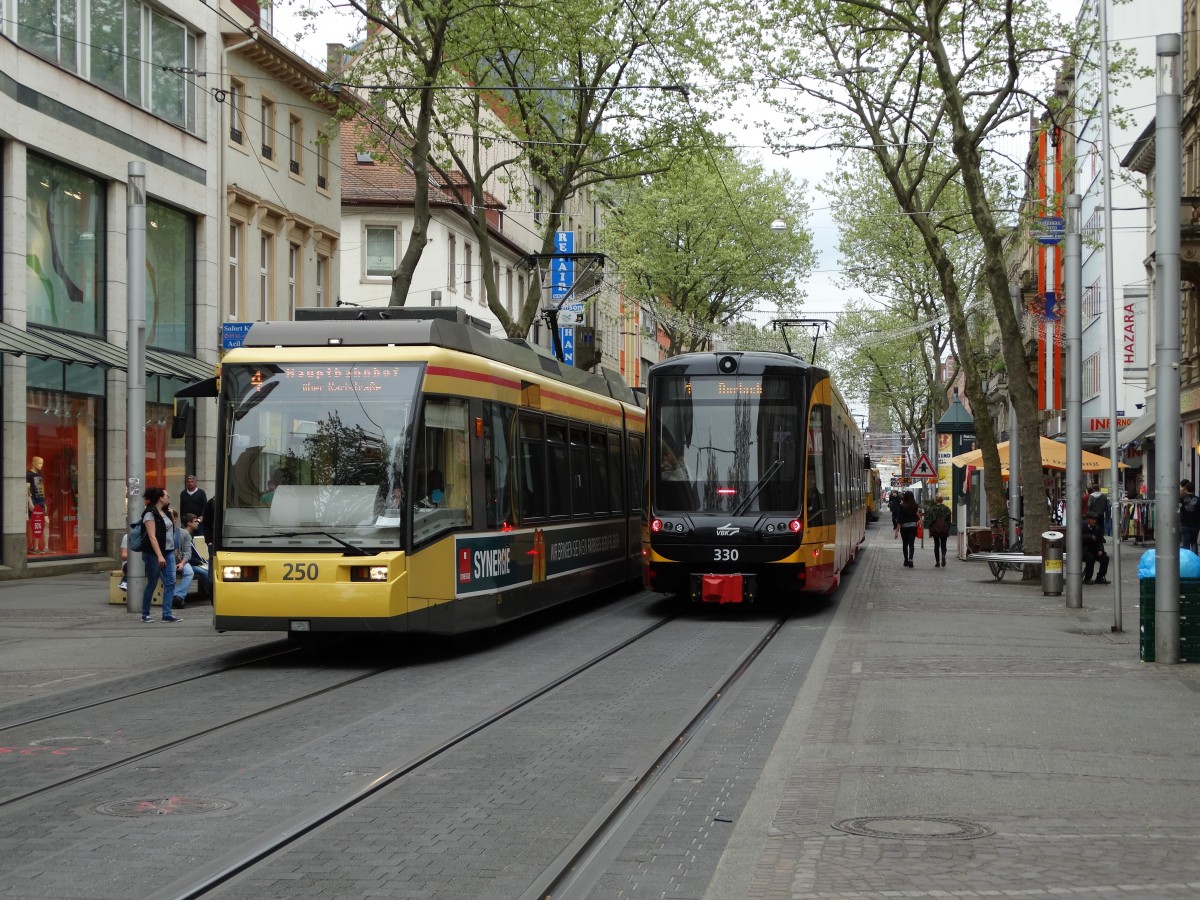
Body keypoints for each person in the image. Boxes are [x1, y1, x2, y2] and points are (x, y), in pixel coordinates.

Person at [141, 487, 180, 622]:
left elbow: (171, 530)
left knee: (170, 582)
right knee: (152, 582)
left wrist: (172, 517)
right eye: (166, 496)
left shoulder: (166, 512)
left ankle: (167, 613)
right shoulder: (149, 514)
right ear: (160, 498)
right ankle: (145, 613)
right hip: (154, 553)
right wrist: (159, 555)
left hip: (168, 550)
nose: (168, 497)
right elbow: (152, 536)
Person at [173, 513, 209, 607]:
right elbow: (187, 553)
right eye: (196, 521)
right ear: (189, 523)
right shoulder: (183, 534)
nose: (198, 523)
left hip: (186, 561)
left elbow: (190, 553)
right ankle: (211, 593)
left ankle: (178, 596)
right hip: (183, 561)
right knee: (203, 572)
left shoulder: (189, 534)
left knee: (202, 571)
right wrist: (200, 562)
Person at [26, 455, 49, 554]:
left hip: (41, 501)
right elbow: (26, 489)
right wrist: (30, 502)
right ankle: (34, 547)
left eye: (42, 463)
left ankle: (45, 547)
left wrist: (44, 501)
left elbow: (41, 488)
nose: (41, 465)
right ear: (33, 462)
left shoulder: (39, 474)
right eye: (39, 463)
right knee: (36, 523)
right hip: (34, 501)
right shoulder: (28, 475)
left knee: (46, 522)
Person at [1081, 511, 1110, 585]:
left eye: (1095, 520)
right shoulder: (1081, 526)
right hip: (1084, 550)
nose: (1094, 521)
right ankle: (1087, 578)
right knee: (1090, 558)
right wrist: (1089, 537)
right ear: (1088, 519)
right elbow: (1078, 538)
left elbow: (1100, 540)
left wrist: (1100, 549)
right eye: (1092, 520)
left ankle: (1100, 577)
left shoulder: (1097, 527)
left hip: (1094, 550)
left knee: (1105, 558)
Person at [924, 494, 952, 567]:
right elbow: (949, 520)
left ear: (936, 500)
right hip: (944, 529)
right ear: (942, 500)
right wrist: (948, 528)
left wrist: (930, 530)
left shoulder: (932, 509)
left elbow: (930, 520)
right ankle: (943, 555)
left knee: (936, 545)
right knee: (944, 544)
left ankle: (937, 562)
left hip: (935, 529)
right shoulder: (946, 508)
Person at [897, 490, 921, 568]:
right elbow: (918, 517)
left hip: (904, 527)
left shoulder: (902, 506)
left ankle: (906, 560)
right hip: (913, 527)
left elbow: (899, 519)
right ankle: (911, 559)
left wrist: (897, 530)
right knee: (911, 544)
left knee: (905, 544)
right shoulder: (915, 506)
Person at [1180, 480, 1200, 553]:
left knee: (1185, 544)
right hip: (1195, 525)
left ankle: (1187, 558)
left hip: (1185, 524)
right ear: (1194, 489)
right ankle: (1194, 557)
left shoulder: (1182, 499)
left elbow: (1178, 510)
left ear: (1186, 489)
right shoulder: (1198, 500)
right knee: (1194, 542)